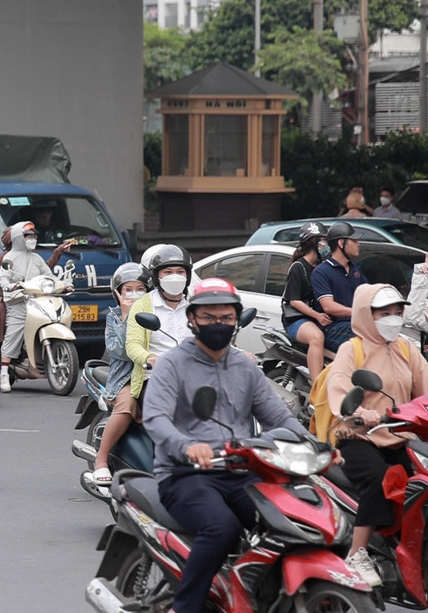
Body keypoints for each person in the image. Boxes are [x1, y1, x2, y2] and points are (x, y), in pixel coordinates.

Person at [143, 278, 330, 613]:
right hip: (186, 473)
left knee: (293, 521)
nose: (219, 324)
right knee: (221, 528)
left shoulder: (245, 365)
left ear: (236, 320)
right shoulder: (172, 364)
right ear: (193, 319)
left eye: (226, 318)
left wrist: (317, 448)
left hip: (242, 469)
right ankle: (184, 607)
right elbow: (156, 419)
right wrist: (187, 446)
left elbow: (280, 418)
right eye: (210, 317)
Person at [325, 284, 428, 587]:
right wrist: (359, 414)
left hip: (399, 436)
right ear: (366, 315)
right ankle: (357, 554)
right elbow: (340, 389)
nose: (394, 317)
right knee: (381, 478)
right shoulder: (351, 349)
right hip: (359, 437)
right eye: (385, 312)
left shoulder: (407, 348)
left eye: (398, 311)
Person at [91, 262, 149, 484]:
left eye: (140, 289)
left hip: (156, 373)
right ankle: (101, 460)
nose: (134, 294)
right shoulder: (114, 317)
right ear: (118, 293)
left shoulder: (156, 312)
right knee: (127, 407)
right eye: (128, 289)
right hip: (125, 376)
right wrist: (127, 317)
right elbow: (120, 352)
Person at [125, 244, 195, 402]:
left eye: (180, 272)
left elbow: (212, 336)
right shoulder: (143, 305)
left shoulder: (196, 306)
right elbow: (132, 345)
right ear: (157, 277)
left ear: (188, 276)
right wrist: (150, 358)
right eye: (168, 272)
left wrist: (239, 354)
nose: (174, 277)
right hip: (155, 378)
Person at [0, 221, 56, 391]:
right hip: (18, 301)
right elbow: (3, 279)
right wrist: (10, 286)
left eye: (34, 236)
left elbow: (49, 275)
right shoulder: (9, 258)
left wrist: (63, 284)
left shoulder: (37, 258)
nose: (32, 239)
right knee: (14, 333)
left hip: (37, 300)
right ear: (18, 238)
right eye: (28, 236)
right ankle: (3, 372)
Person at [280, 221, 333, 378]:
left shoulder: (321, 266)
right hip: (296, 320)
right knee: (317, 337)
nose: (326, 244)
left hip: (318, 317)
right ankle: (317, 386)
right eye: (323, 240)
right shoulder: (298, 267)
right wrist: (317, 315)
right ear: (313, 242)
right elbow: (294, 300)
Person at [311, 221, 368, 352]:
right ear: (341, 243)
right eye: (354, 240)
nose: (358, 244)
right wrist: (357, 312)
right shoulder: (322, 272)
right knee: (369, 340)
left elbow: (369, 293)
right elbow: (328, 306)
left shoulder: (355, 269)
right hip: (334, 328)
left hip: (356, 323)